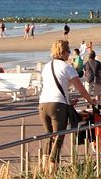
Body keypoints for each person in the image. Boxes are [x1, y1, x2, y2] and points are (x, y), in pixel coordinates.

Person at [38, 40, 97, 171]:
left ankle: (43, 169)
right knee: (58, 138)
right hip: (57, 106)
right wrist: (90, 100)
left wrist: (68, 101)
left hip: (43, 104)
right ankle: (52, 174)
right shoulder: (67, 67)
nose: (69, 54)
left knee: (49, 137)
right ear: (63, 52)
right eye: (68, 51)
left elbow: (51, 87)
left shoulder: (47, 66)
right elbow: (80, 88)